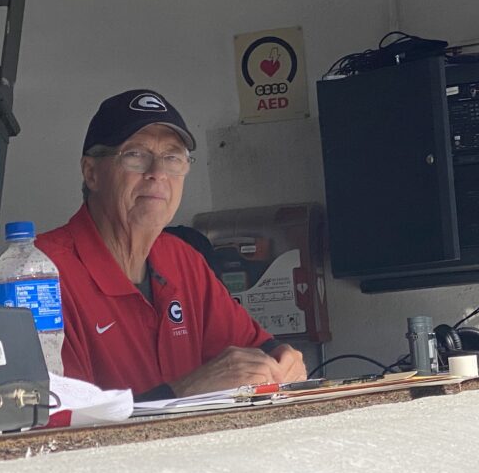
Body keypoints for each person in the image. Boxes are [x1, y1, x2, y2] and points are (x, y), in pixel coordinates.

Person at [36, 89, 306, 400]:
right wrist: (185, 391)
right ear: (91, 173)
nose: (158, 173)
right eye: (136, 155)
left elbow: (254, 347)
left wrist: (281, 359)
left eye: (172, 157)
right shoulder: (38, 277)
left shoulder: (182, 259)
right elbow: (56, 423)